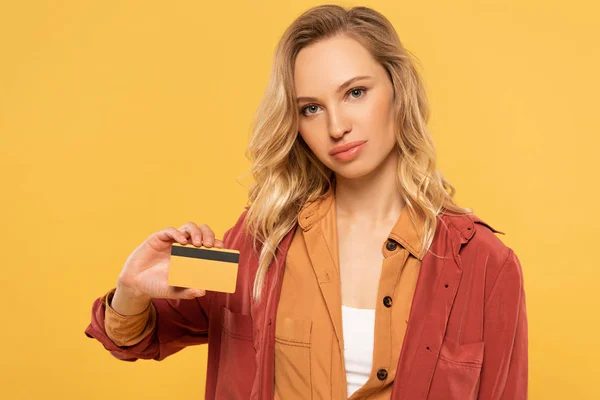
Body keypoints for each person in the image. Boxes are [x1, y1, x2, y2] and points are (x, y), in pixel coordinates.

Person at [85, 4, 527, 400]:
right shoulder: (260, 238)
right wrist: (131, 289)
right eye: (311, 108)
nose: (337, 126)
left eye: (356, 92)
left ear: (398, 89)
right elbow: (137, 336)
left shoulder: (486, 266)